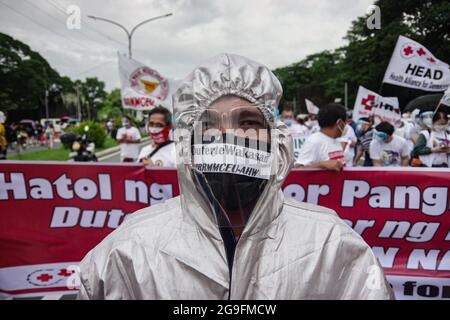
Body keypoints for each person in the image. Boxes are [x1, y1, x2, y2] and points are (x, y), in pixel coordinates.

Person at [77, 53, 393, 300]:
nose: (229, 136)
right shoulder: (129, 250)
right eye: (210, 125)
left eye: (249, 122)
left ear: (277, 142)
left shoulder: (331, 245)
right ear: (188, 143)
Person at [294, 103, 347, 171]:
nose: (346, 126)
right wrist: (321, 165)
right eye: (345, 122)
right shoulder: (314, 141)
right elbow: (297, 170)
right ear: (339, 123)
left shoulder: (336, 141)